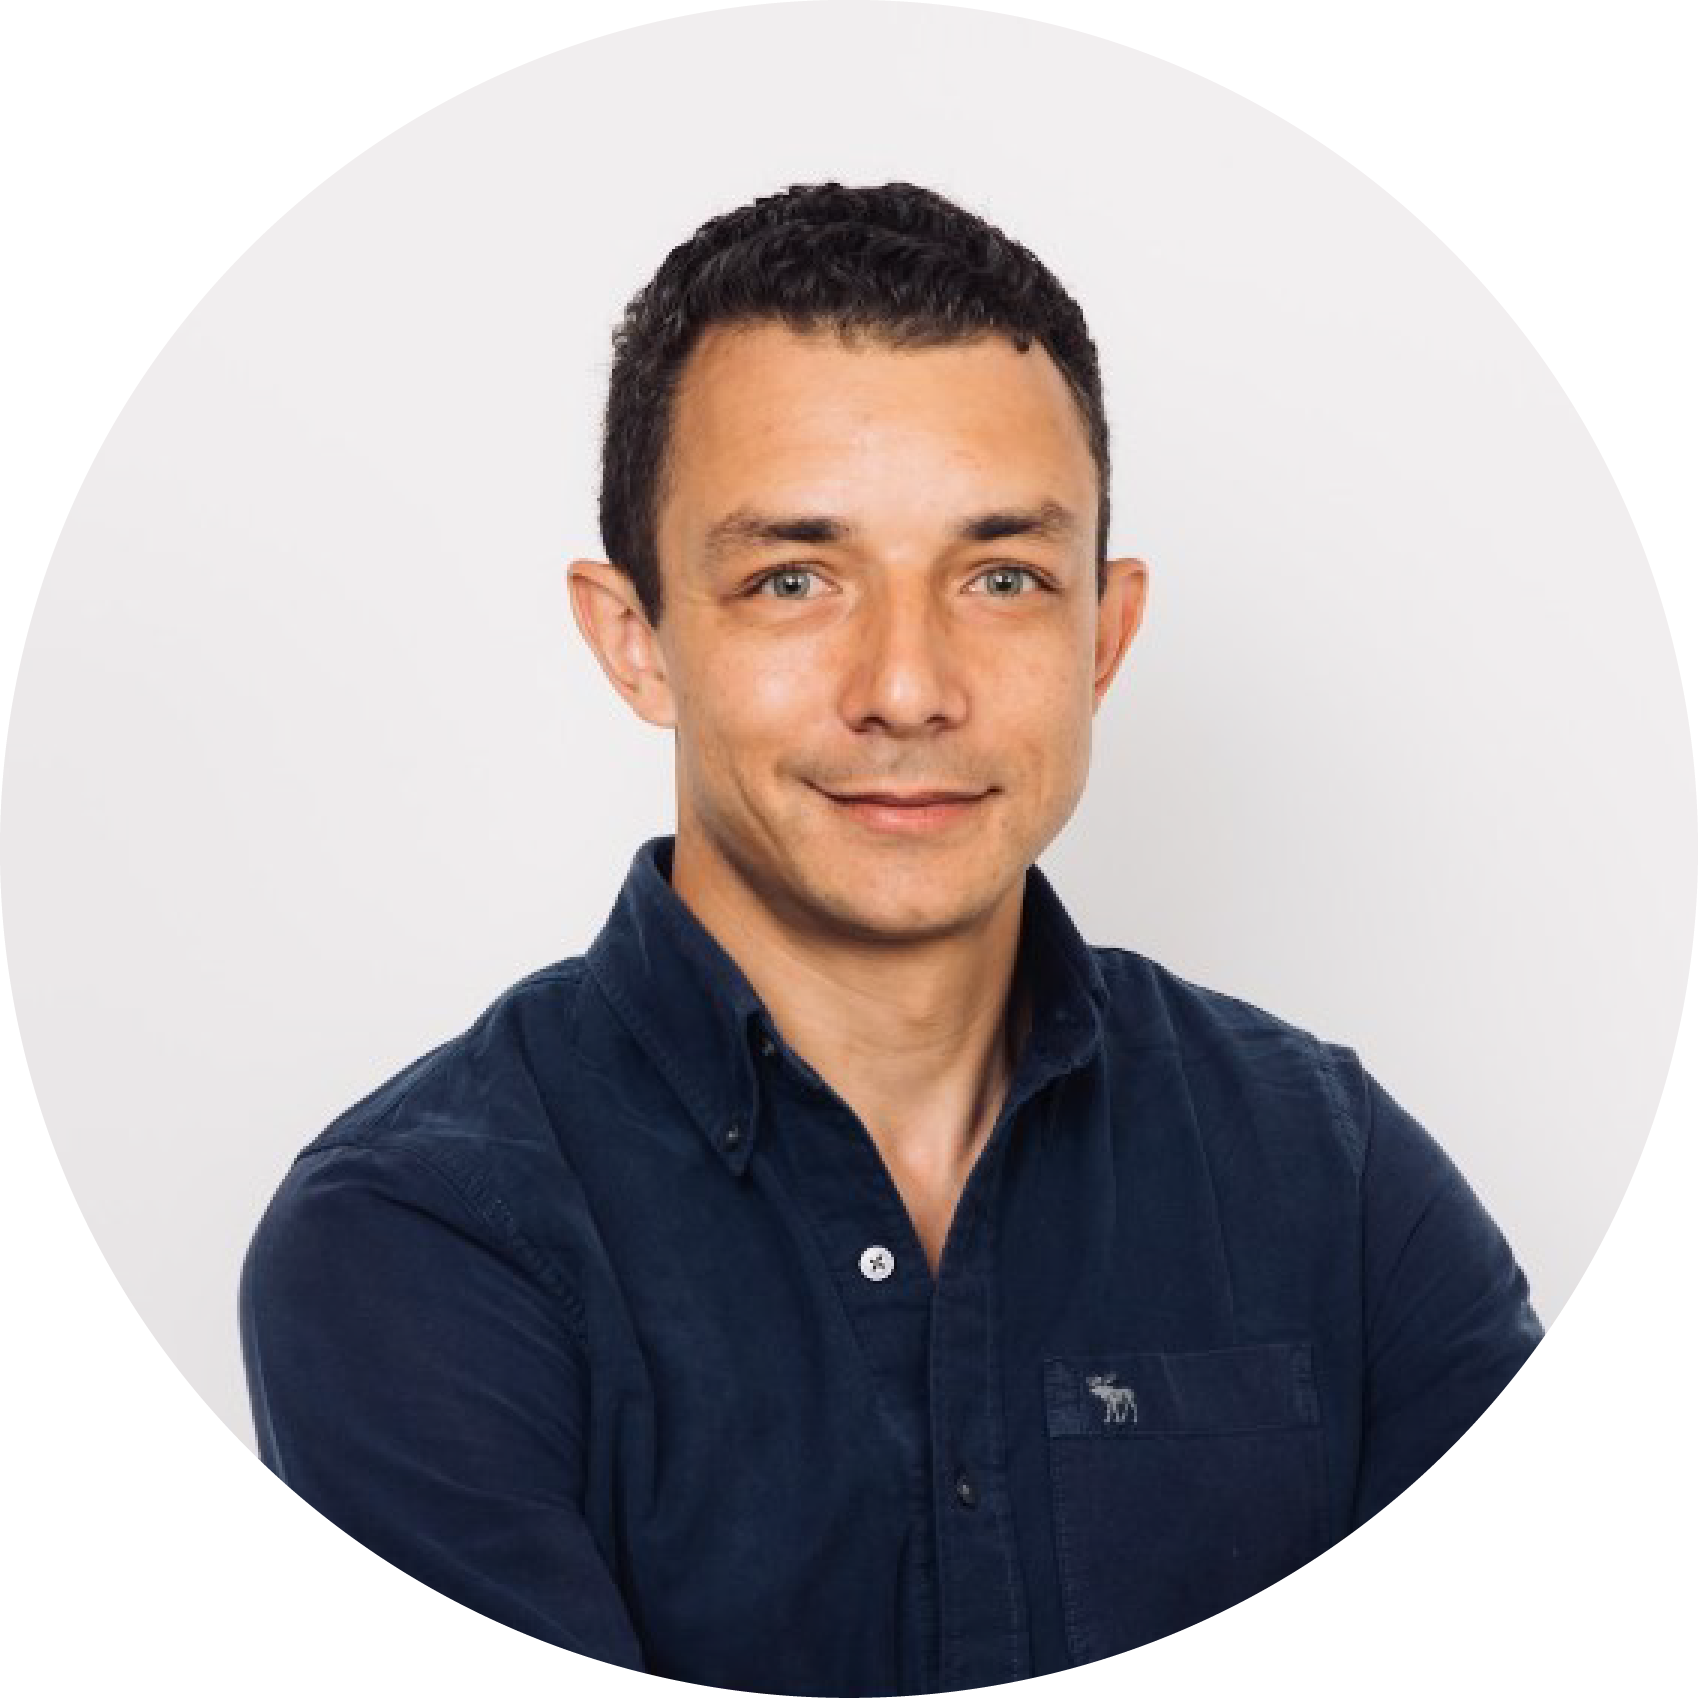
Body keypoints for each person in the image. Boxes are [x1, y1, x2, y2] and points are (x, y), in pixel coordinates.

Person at [238, 181, 1543, 1695]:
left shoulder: (1334, 1175)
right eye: (794, 578)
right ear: (636, 637)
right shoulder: (417, 1243)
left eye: (1000, 577)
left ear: (1101, 637)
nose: (908, 687)